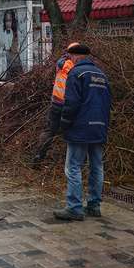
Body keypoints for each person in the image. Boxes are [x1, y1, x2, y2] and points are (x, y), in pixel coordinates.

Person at [53, 44, 111, 222]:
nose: (70, 60)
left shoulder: (76, 74)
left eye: (70, 57)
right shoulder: (101, 75)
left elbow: (71, 102)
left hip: (80, 127)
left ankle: (74, 208)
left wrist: (64, 124)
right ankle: (94, 206)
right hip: (99, 126)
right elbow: (108, 103)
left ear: (76, 57)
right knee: (97, 166)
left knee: (73, 167)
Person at [32, 42, 84, 164]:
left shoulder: (60, 63)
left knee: (49, 130)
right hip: (69, 104)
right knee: (73, 130)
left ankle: (39, 155)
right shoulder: (75, 67)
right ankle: (72, 160)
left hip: (56, 102)